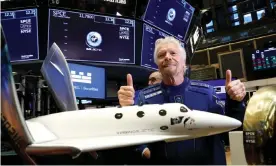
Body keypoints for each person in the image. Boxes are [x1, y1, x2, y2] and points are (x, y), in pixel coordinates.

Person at [117, 36, 246, 165]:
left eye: (173, 53)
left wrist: (236, 101)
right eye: (162, 55)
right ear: (158, 66)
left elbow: (229, 132)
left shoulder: (207, 93)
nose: (167, 57)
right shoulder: (144, 98)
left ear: (184, 63)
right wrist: (126, 111)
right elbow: (133, 134)